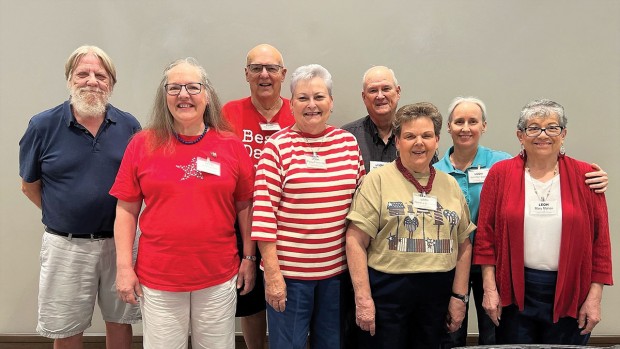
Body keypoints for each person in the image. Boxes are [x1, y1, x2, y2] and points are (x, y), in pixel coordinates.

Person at [436, 96, 610, 348]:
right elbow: (486, 236)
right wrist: (490, 289)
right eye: (533, 128)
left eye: (552, 127)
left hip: (572, 290)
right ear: (520, 135)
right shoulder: (501, 174)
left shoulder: (586, 176)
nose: (543, 134)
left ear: (563, 134)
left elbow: (601, 244)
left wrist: (595, 297)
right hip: (514, 289)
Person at [110, 57, 255, 349]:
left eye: (192, 87)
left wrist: (249, 258)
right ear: (164, 96)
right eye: (174, 88)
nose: (184, 95)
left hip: (217, 275)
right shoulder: (142, 143)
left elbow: (245, 206)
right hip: (160, 277)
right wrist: (124, 267)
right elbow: (126, 209)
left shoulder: (231, 145)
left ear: (207, 95)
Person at [18, 45, 141, 349]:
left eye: (100, 75)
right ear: (69, 79)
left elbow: (139, 187)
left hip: (120, 245)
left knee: (121, 320)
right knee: (67, 326)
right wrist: (65, 214)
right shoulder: (42, 126)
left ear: (111, 83)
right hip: (66, 246)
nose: (91, 81)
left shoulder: (130, 127)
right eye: (82, 73)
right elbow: (29, 185)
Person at [251, 64, 365, 349]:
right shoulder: (276, 147)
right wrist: (274, 277)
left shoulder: (348, 144)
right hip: (290, 278)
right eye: (303, 98)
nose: (311, 105)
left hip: (336, 277)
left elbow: (361, 207)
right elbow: (264, 217)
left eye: (319, 97)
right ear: (292, 104)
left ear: (331, 102)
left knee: (332, 345)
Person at [346, 102, 474, 349]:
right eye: (410, 136)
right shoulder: (376, 181)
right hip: (387, 294)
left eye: (426, 136)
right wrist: (363, 299)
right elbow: (355, 241)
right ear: (397, 141)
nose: (419, 143)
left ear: (437, 140)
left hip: (437, 296)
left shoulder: (450, 186)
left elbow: (464, 243)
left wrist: (459, 297)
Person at [222, 44, 294, 349]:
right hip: (243, 219)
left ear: (283, 74)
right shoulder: (229, 112)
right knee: (249, 299)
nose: (264, 75)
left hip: (290, 220)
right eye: (256, 68)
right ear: (246, 74)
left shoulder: (298, 110)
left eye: (272, 68)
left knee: (284, 293)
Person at [341, 66, 401, 174]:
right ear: (364, 97)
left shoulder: (414, 135)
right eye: (373, 90)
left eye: (386, 89)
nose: (380, 96)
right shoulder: (347, 137)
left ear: (398, 92)